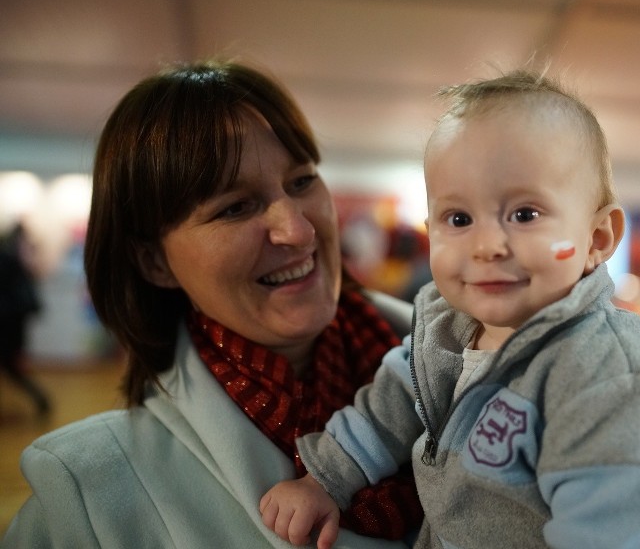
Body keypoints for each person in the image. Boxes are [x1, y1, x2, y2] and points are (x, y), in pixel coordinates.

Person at [1, 61, 422, 548]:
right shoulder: (87, 498)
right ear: (155, 263)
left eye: (302, 181)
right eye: (235, 207)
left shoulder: (477, 362)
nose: (299, 230)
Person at [260, 70, 640, 548]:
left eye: (524, 214)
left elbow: (615, 529)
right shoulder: (443, 331)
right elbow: (386, 411)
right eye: (459, 219)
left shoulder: (606, 374)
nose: (487, 246)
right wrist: (324, 482)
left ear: (597, 239)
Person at [0, 222, 51, 417]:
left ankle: (42, 401)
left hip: (7, 324)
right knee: (14, 370)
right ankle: (42, 401)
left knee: (14, 370)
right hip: (11, 323)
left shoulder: (6, 259)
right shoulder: (12, 258)